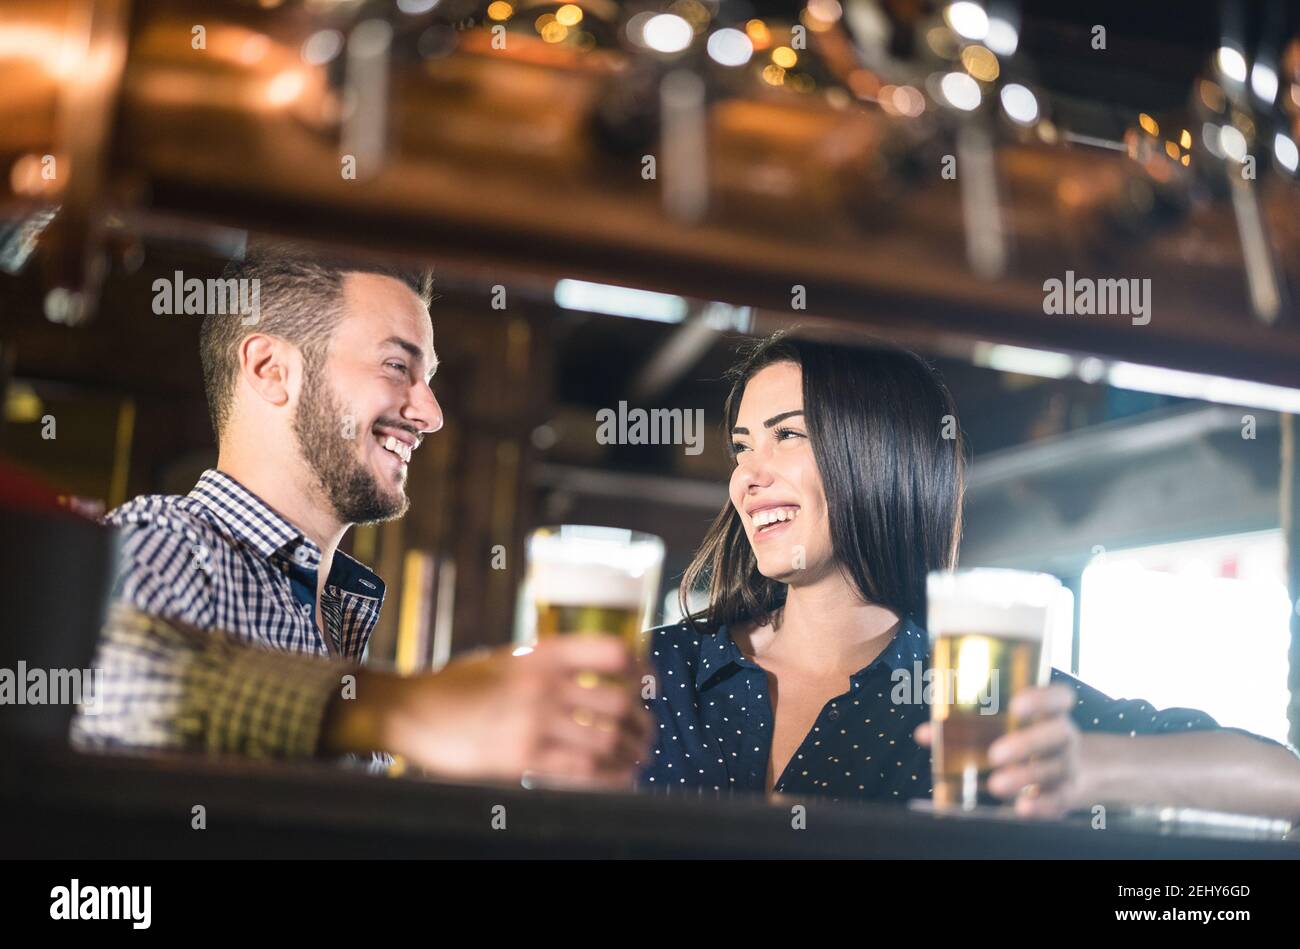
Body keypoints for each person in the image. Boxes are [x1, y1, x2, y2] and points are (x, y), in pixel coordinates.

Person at [637, 332, 1300, 820]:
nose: (747, 477)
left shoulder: (977, 687)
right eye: (743, 445)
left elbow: (1286, 782)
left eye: (786, 435)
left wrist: (1092, 765)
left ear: (874, 456)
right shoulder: (657, 668)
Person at [72, 246, 651, 786]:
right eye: (398, 366)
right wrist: (410, 707)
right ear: (271, 369)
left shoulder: (335, 612)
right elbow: (96, 673)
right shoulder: (165, 542)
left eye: (428, 380)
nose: (431, 413)